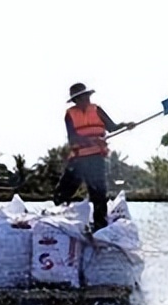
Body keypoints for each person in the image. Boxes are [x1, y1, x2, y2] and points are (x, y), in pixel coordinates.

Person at [53, 82, 130, 229]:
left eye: (87, 96)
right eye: (82, 97)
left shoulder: (97, 109)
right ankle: (58, 218)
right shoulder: (70, 114)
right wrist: (91, 141)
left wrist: (126, 125)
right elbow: (72, 138)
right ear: (76, 100)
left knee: (99, 194)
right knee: (61, 193)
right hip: (78, 159)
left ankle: (100, 226)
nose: (86, 99)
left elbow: (112, 127)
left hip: (96, 159)